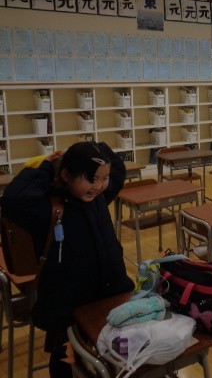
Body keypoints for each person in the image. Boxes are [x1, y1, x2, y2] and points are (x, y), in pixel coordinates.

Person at [0, 141, 134, 378]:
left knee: (117, 355)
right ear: (65, 175)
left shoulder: (99, 197)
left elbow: (118, 170)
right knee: (66, 359)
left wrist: (98, 148)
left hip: (109, 299)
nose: (98, 186)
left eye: (103, 178)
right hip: (67, 310)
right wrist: (47, 166)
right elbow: (13, 199)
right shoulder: (48, 209)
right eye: (91, 179)